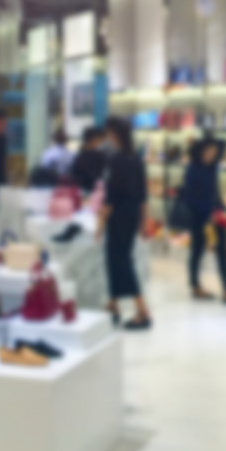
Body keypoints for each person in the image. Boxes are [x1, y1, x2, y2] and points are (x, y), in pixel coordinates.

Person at [97, 116, 152, 330]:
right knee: (116, 259)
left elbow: (111, 197)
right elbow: (143, 195)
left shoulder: (117, 160)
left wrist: (101, 224)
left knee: (120, 261)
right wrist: (144, 222)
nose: (108, 138)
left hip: (118, 216)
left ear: (115, 134)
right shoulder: (135, 158)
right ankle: (113, 304)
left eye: (110, 134)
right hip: (131, 215)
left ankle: (142, 309)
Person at [182, 136, 226, 305]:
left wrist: (220, 212)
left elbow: (224, 143)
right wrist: (208, 214)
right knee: (197, 251)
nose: (212, 155)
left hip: (218, 216)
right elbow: (190, 199)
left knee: (223, 251)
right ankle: (195, 285)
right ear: (200, 152)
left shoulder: (213, 167)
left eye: (214, 152)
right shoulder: (193, 169)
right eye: (208, 152)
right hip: (200, 217)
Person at [70, 127, 107, 194]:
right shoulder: (99, 156)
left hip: (81, 192)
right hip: (93, 193)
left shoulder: (79, 156)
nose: (101, 143)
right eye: (101, 140)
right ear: (94, 140)